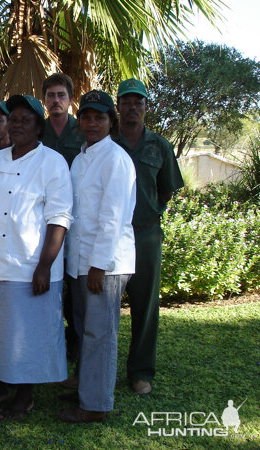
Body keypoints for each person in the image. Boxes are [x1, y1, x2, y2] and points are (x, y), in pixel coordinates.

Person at [0, 95, 73, 420]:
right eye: (12, 119)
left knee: (27, 334)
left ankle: (24, 395)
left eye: (24, 120)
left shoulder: (52, 162)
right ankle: (0, 386)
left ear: (38, 127)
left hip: (29, 266)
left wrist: (45, 266)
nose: (16, 125)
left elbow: (59, 218)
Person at [59, 90, 136, 423]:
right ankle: (87, 382)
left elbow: (112, 218)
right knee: (83, 327)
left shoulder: (116, 159)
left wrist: (97, 266)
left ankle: (95, 404)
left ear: (111, 122)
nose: (92, 123)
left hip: (105, 264)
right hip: (80, 262)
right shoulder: (80, 158)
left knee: (99, 333)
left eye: (99, 117)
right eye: (86, 117)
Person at [114, 79, 184, 395]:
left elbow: (167, 189)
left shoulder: (160, 146)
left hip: (145, 237)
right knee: (103, 308)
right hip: (111, 238)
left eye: (137, 102)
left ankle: (140, 372)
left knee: (145, 307)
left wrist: (148, 212)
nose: (132, 107)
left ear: (146, 107)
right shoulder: (105, 142)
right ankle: (98, 369)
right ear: (117, 106)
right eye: (126, 102)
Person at [41, 73, 84, 365]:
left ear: (70, 100)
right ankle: (46, 346)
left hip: (79, 223)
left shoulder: (83, 131)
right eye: (51, 96)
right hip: (44, 224)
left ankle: (76, 349)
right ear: (44, 100)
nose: (55, 101)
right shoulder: (36, 131)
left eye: (61, 95)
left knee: (76, 295)